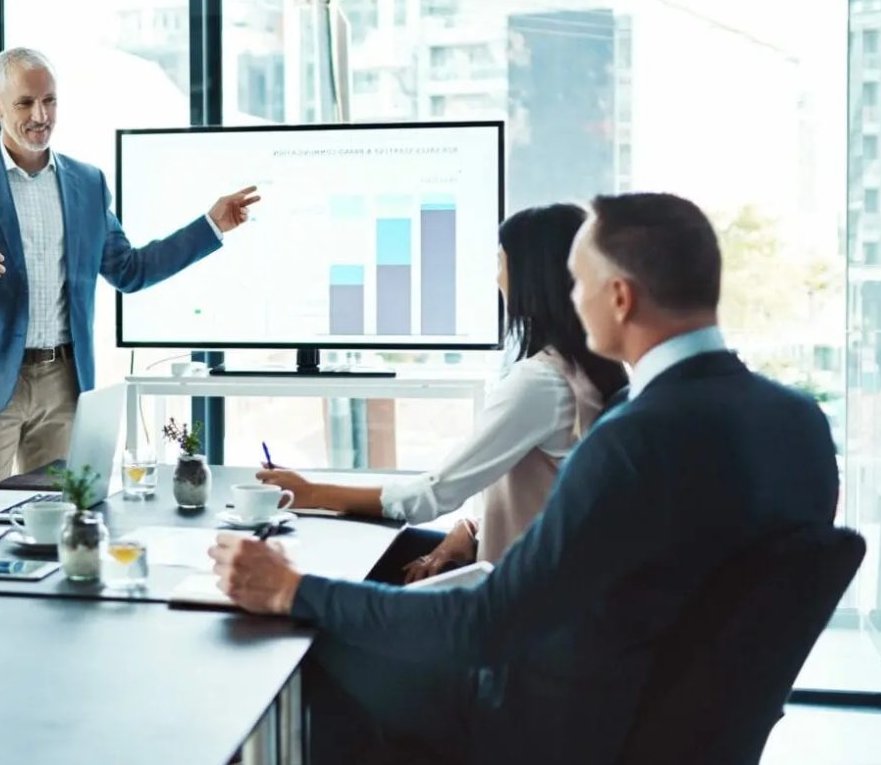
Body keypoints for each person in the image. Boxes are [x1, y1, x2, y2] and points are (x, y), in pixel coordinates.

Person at [211, 192, 838, 765]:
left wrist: (294, 588)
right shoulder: (799, 422)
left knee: (320, 638)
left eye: (580, 281)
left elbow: (487, 625)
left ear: (619, 297)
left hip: (560, 739)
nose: (572, 296)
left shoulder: (632, 439)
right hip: (689, 748)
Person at [0, 47, 261, 500]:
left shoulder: (87, 182)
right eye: (24, 103)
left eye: (49, 101)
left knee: (60, 521)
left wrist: (210, 225)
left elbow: (130, 270)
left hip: (64, 383)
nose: (41, 115)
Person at [257, 203, 627, 582]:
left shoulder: (540, 384)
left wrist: (312, 493)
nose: (496, 278)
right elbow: (547, 495)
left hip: (519, 592)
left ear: (529, 276)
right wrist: (468, 529)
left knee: (326, 574)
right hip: (554, 574)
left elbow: (430, 497)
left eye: (500, 263)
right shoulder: (593, 369)